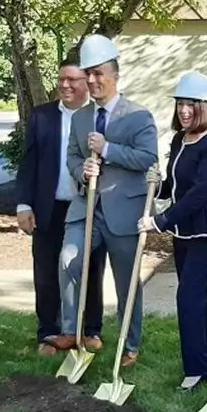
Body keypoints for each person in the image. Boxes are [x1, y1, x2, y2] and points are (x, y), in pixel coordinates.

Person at [60, 33, 158, 368]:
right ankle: (72, 334)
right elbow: (72, 156)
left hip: (124, 211)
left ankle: (131, 345)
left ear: (115, 74)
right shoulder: (79, 118)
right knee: (69, 260)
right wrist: (81, 169)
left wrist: (107, 150)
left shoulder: (138, 116)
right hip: (86, 209)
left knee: (126, 280)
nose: (92, 79)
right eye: (88, 73)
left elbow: (148, 158)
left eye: (98, 73)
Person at [137, 71, 207, 389]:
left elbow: (200, 192)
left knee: (187, 296)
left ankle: (197, 370)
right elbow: (178, 185)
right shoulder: (181, 139)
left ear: (206, 107)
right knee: (195, 295)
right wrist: (158, 186)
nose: (184, 110)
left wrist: (160, 221)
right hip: (185, 230)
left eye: (192, 104)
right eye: (181, 103)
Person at [15, 59, 108, 355]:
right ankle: (49, 332)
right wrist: (23, 204)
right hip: (48, 207)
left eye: (73, 80)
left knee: (90, 268)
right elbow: (29, 162)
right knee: (46, 271)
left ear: (87, 82)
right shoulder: (42, 116)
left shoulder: (97, 117)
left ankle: (90, 329)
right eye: (61, 79)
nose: (65, 85)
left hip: (87, 206)